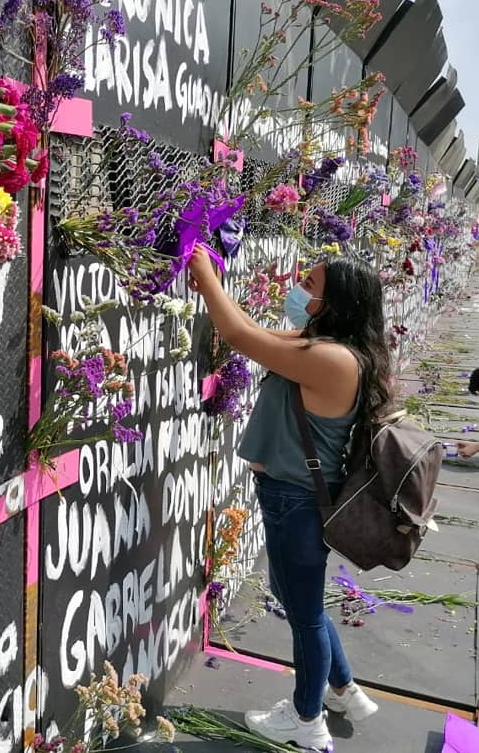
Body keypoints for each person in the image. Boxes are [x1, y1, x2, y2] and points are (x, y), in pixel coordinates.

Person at [187, 245, 386, 751]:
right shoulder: (335, 349)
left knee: (304, 615)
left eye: (310, 285)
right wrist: (218, 297)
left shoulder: (328, 358)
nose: (299, 289)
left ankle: (305, 721)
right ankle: (345, 689)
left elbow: (236, 335)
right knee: (305, 603)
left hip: (292, 499)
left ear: (333, 302)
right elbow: (252, 330)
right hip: (297, 497)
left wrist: (203, 268)